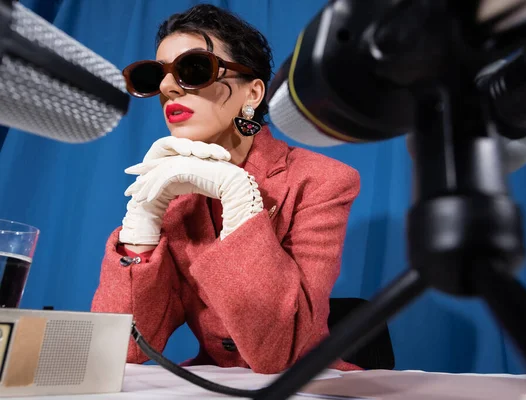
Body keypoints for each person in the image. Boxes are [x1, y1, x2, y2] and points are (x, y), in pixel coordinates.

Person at [91, 4, 362, 374]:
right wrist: (142, 217)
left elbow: (279, 354)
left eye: (194, 69)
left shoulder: (321, 181)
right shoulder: (173, 194)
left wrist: (237, 193)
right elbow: (120, 349)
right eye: (156, 77)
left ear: (252, 94)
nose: (168, 88)